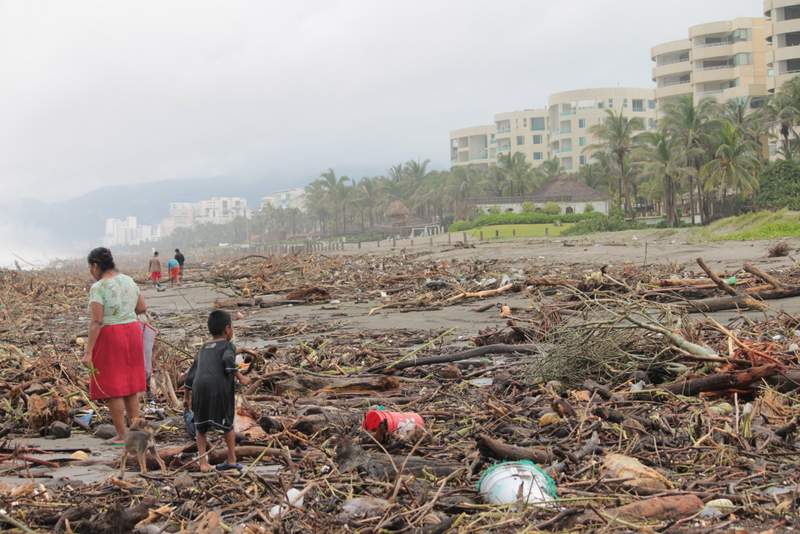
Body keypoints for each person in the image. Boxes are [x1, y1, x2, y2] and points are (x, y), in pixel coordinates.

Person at [85, 247, 148, 444]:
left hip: (112, 334)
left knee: (113, 386)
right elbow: (141, 308)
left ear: (96, 266)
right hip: (132, 331)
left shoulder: (99, 287)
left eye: (90, 267)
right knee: (130, 385)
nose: (91, 272)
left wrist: (88, 351)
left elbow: (97, 321)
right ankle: (136, 431)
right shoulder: (129, 280)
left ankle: (122, 434)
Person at [184, 310, 252, 472]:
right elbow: (227, 360)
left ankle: (203, 462)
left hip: (199, 389)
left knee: (201, 427)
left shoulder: (203, 348)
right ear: (228, 329)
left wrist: (186, 397)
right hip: (219, 389)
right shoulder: (228, 346)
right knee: (227, 425)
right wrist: (240, 377)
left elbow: (191, 374)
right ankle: (231, 459)